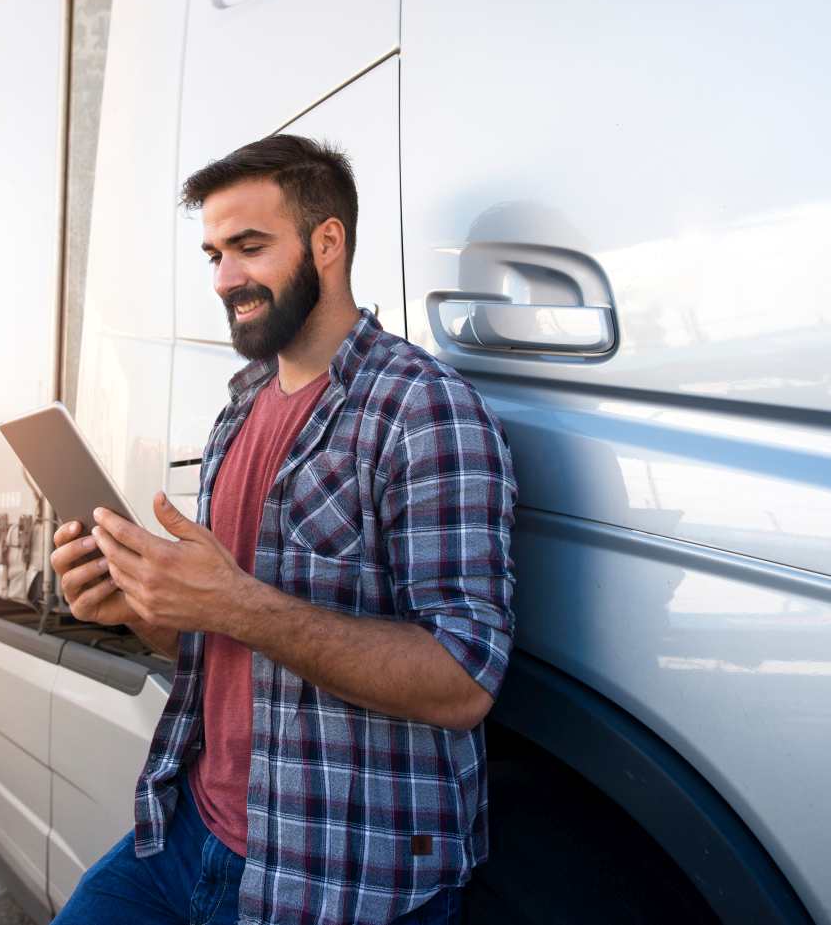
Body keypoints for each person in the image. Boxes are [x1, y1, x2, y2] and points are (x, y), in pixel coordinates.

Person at [49, 135, 516, 925]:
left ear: (327, 242)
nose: (226, 277)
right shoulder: (240, 407)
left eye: (249, 246)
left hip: (336, 877)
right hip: (188, 833)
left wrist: (232, 602)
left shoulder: (424, 411)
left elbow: (464, 679)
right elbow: (220, 642)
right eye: (214, 254)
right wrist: (133, 601)